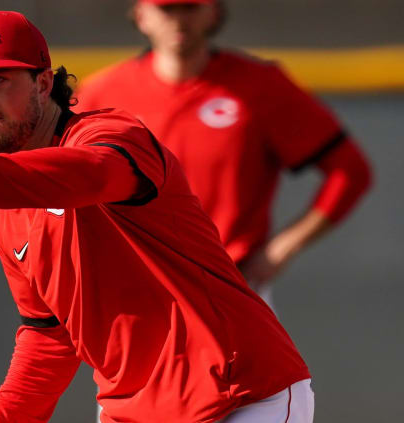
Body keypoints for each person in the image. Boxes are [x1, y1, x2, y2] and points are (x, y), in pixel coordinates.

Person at [0, 10, 314, 423]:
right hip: (133, 411)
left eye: (0, 79)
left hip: (239, 395)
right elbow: (50, 338)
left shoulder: (112, 136)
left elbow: (89, 174)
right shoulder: (5, 207)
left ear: (44, 84)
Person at [74, 0, 373, 308]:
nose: (179, 20)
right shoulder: (101, 94)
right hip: (133, 288)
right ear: (141, 15)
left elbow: (350, 170)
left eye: (189, 8)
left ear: (213, 12)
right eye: (167, 9)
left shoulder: (259, 85)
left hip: (230, 285)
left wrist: (283, 247)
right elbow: (59, 188)